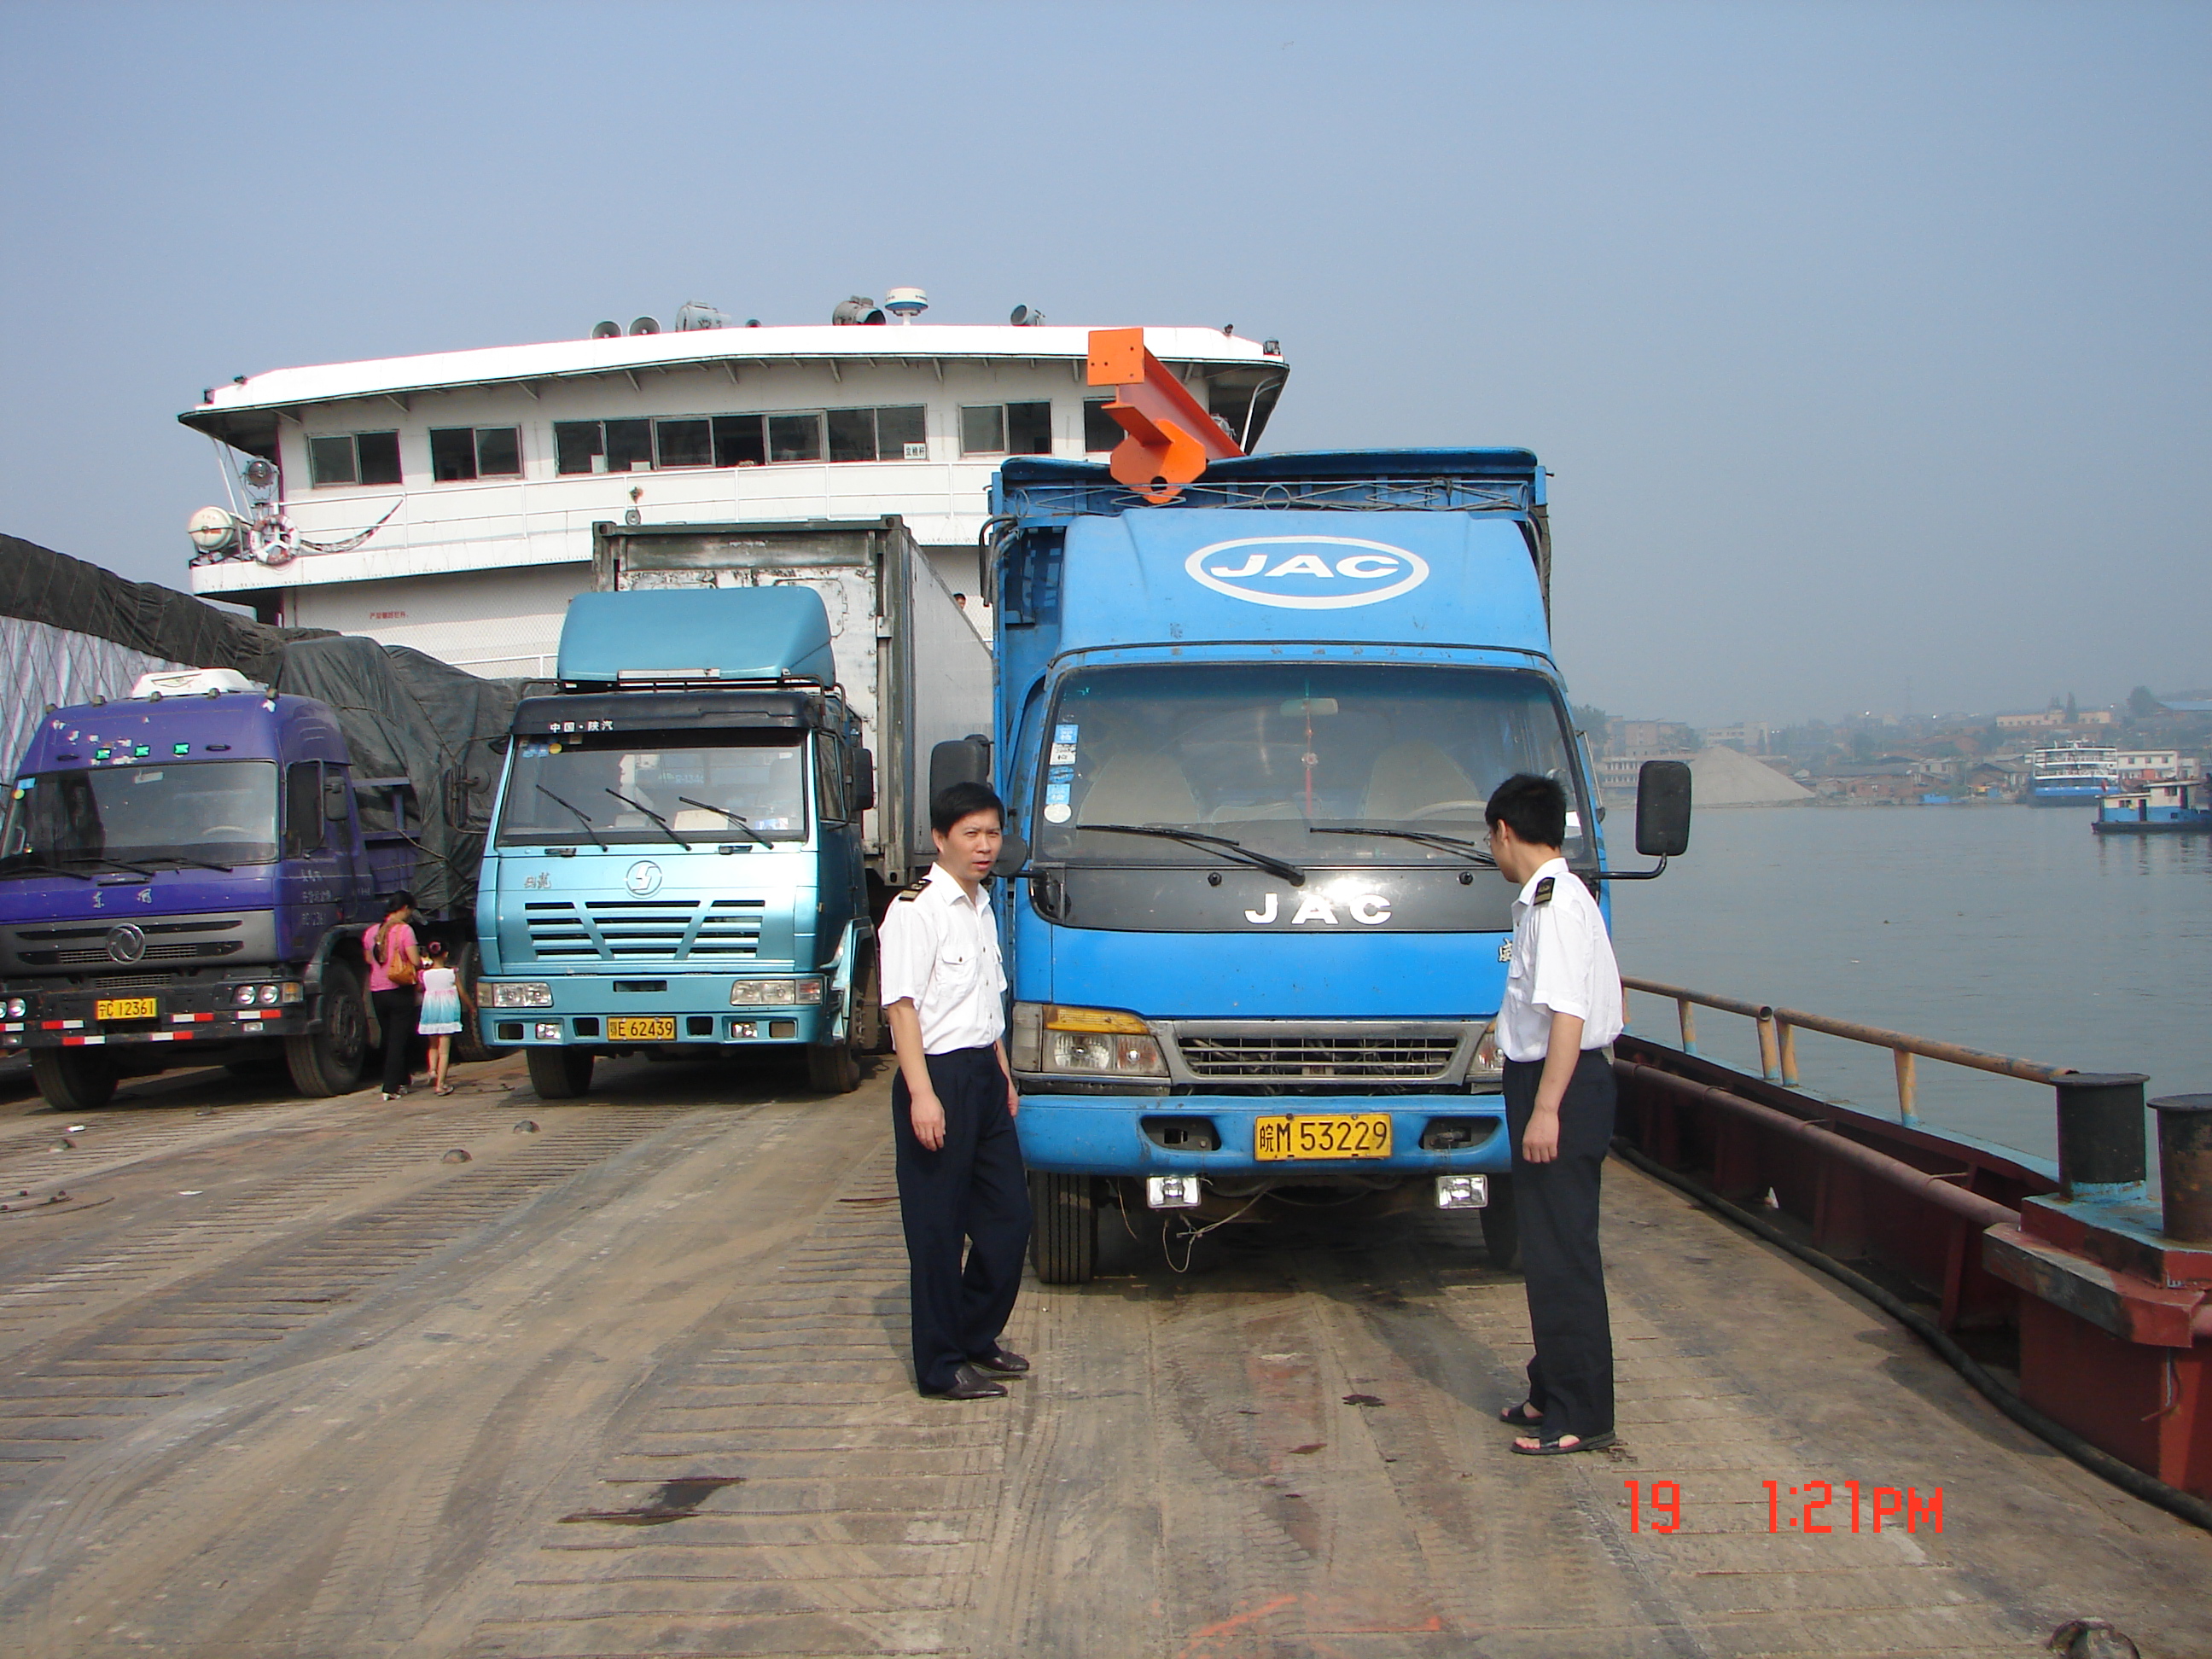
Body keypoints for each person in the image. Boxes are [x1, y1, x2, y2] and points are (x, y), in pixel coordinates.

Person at [1485, 773, 1625, 1455]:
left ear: (1505, 831)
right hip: (1543, 1077)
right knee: (1544, 1247)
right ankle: (1550, 1388)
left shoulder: (1555, 907)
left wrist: (1546, 1109)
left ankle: (1582, 1413)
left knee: (1565, 1253)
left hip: (1560, 1087)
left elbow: (1568, 1015)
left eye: (1491, 839)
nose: (1492, 851)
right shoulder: (1550, 899)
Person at [878, 781, 1032, 1400]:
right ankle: (941, 1365)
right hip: (937, 1078)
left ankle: (973, 1335)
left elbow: (986, 1000)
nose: (985, 845)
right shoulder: (915, 910)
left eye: (992, 833)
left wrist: (1003, 1072)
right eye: (971, 834)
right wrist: (922, 1094)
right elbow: (901, 1008)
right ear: (940, 838)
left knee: (1009, 1222)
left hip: (984, 1076)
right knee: (938, 1233)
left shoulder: (983, 903)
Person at [365, 893, 421, 1102]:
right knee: (399, 1040)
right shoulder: (405, 930)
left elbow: (368, 958)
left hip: (377, 991)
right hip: (399, 989)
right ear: (405, 908)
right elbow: (414, 960)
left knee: (390, 1038)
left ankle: (403, 1079)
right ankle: (390, 1086)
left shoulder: (371, 932)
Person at [416, 940, 470, 1096]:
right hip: (447, 1011)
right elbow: (462, 992)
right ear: (445, 954)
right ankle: (441, 1084)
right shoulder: (451, 973)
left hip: (430, 1010)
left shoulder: (424, 974)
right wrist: (471, 1006)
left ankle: (432, 1070)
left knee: (433, 1045)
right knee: (444, 1051)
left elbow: (419, 989)